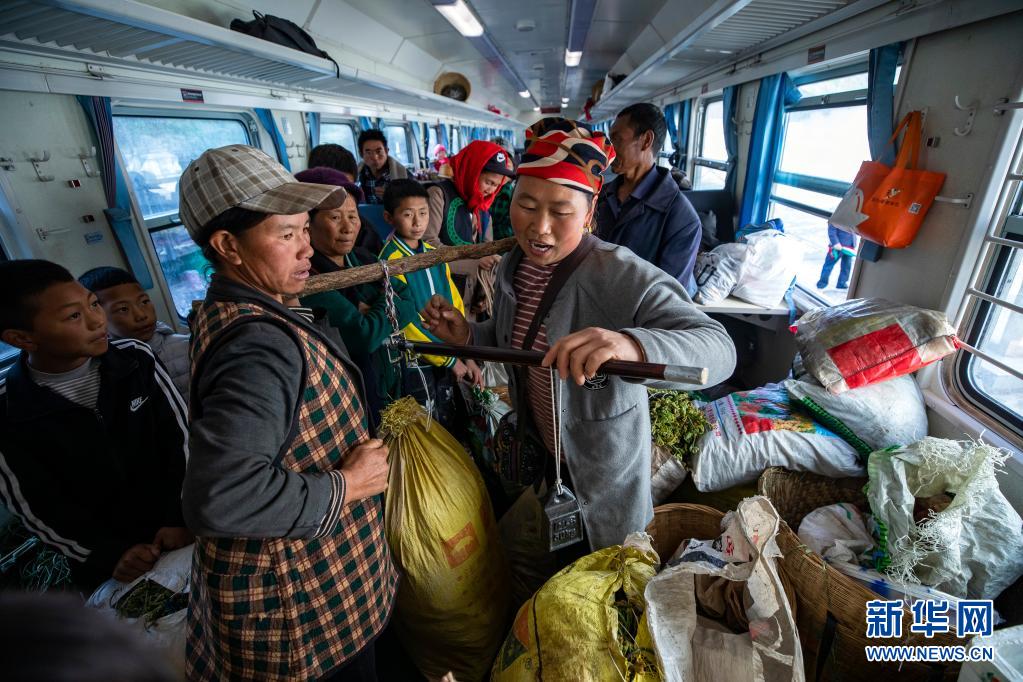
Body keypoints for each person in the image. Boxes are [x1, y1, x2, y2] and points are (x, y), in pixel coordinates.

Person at [422, 118, 736, 558]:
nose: (539, 228)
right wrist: (468, 334)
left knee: (607, 573)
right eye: (527, 205)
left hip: (603, 473)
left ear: (589, 214)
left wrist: (631, 345)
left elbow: (719, 348)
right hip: (545, 458)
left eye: (561, 212)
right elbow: (517, 341)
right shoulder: (516, 264)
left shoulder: (619, 273)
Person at [177, 144, 397, 681]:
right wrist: (349, 484)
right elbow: (223, 496)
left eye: (304, 229)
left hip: (318, 581)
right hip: (300, 613)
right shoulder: (258, 348)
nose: (307, 249)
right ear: (228, 246)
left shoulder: (235, 309)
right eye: (286, 235)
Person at [0, 259, 190, 593]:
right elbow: (35, 505)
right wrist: (107, 554)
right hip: (106, 561)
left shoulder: (135, 358)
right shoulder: (8, 408)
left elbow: (180, 439)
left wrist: (180, 516)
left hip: (182, 527)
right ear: (22, 338)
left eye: (92, 305)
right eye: (74, 316)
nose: (96, 320)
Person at [294, 166, 418, 427]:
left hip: (390, 383)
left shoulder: (363, 259)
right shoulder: (308, 280)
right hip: (353, 403)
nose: (348, 227)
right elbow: (364, 336)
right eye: (335, 217)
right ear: (307, 225)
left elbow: (409, 298)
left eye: (353, 216)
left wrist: (374, 310)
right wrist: (386, 301)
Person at [379, 179, 482, 428]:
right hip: (416, 358)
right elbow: (404, 321)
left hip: (448, 353)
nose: (417, 222)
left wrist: (465, 353)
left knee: (450, 418)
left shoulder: (433, 255)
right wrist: (449, 360)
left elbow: (454, 303)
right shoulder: (389, 261)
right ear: (389, 217)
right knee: (428, 424)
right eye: (408, 214)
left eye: (423, 213)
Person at [596, 102, 703, 296]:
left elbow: (669, 296)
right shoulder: (600, 195)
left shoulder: (682, 219)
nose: (608, 150)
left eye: (617, 139)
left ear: (646, 140)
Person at [424, 139, 514, 317]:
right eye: (488, 182)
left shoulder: (483, 210)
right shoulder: (439, 195)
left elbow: (488, 251)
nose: (491, 190)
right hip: (443, 295)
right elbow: (428, 245)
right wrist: (474, 262)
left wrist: (484, 294)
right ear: (473, 172)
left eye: (496, 185)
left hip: (471, 297)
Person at [78, 265, 190, 400]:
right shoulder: (99, 370)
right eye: (123, 309)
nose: (141, 315)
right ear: (98, 317)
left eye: (144, 302)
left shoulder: (188, 346)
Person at [358, 129, 409, 205]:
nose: (375, 157)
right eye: (368, 152)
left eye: (378, 151)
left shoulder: (403, 174)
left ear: (386, 151)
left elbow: (415, 202)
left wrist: (393, 197)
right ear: (361, 154)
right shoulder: (357, 174)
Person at [818, 224, 856, 290]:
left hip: (849, 247)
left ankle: (842, 283)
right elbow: (831, 231)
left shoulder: (852, 219)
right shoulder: (837, 219)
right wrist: (835, 243)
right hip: (837, 247)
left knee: (846, 267)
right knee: (828, 266)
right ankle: (822, 284)